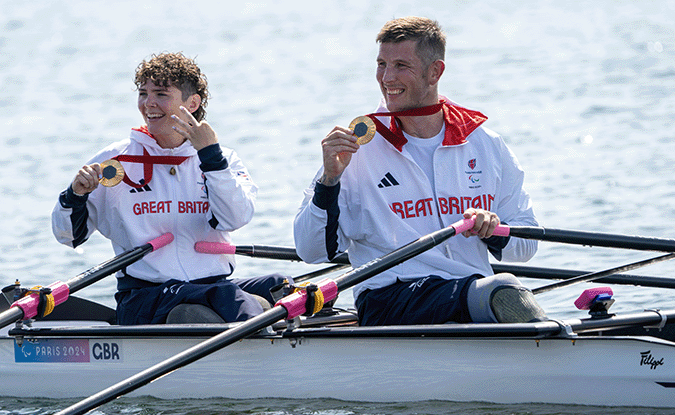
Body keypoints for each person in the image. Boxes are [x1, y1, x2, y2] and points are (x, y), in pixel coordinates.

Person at [294, 17, 546, 326]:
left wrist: (493, 230)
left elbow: (527, 244)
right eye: (381, 64)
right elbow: (311, 250)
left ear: (435, 72)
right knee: (502, 289)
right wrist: (329, 181)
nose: (387, 78)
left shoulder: (485, 144)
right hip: (390, 298)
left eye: (401, 65)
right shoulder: (356, 150)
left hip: (469, 289)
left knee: (498, 289)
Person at [52, 52, 287, 325]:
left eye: (161, 94)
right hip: (144, 295)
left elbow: (235, 218)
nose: (148, 104)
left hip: (210, 286)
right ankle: (264, 339)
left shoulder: (221, 159)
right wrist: (75, 195)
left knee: (283, 285)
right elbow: (68, 236)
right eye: (143, 93)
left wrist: (210, 156)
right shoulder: (115, 161)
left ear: (192, 103)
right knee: (227, 297)